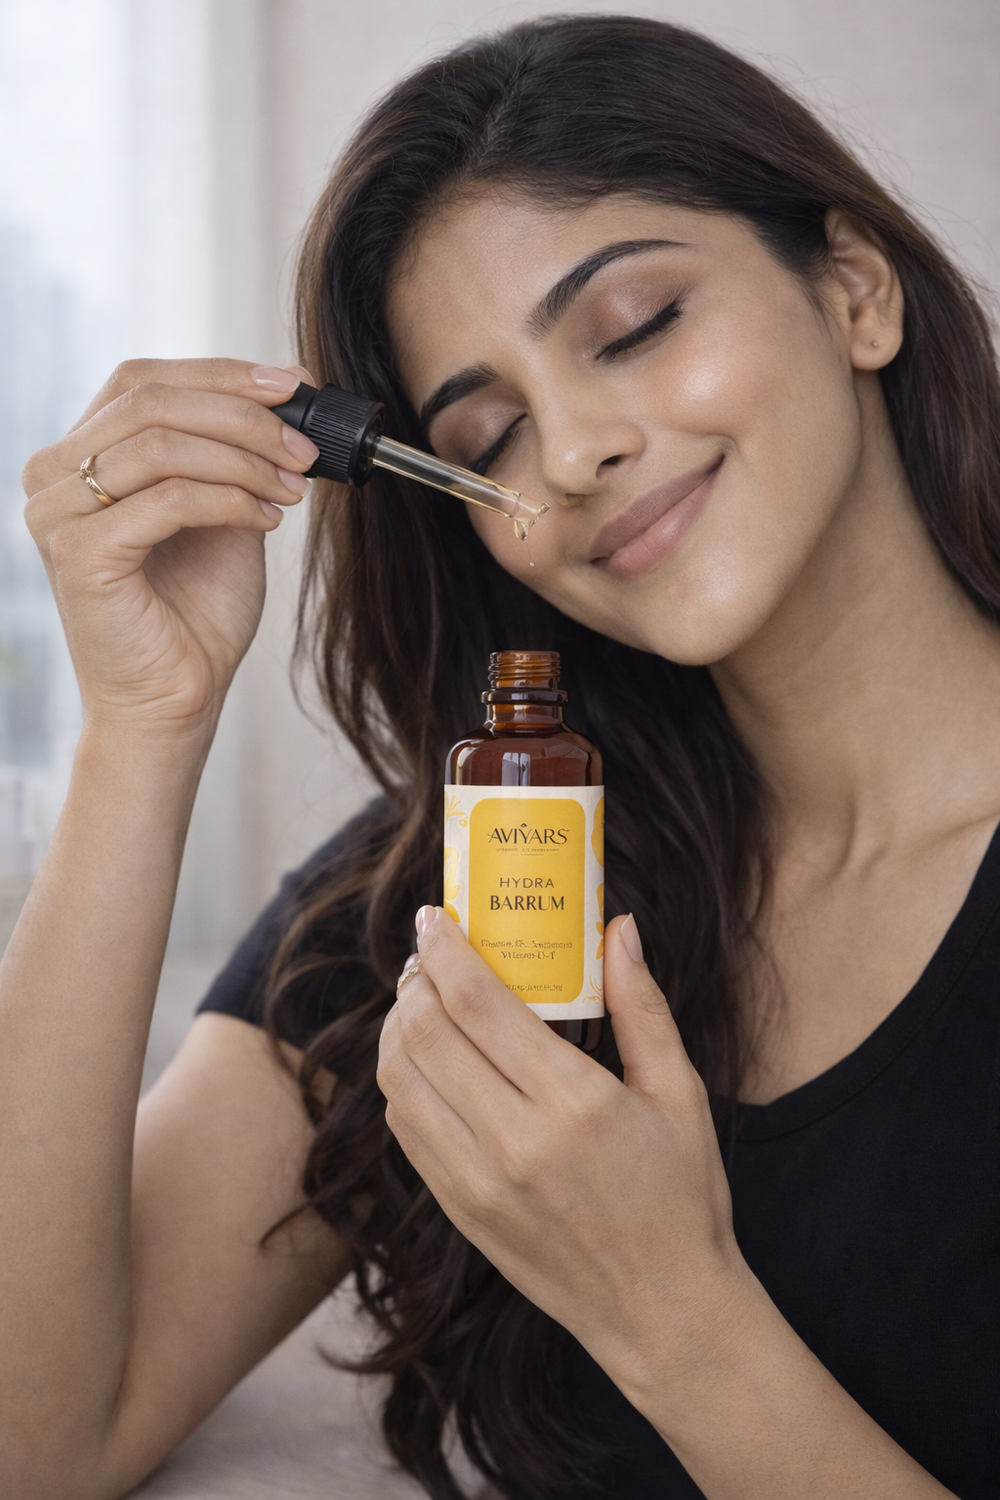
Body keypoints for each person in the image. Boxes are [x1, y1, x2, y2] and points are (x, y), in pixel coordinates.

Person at [3, 15, 997, 1500]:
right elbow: (34, 1443)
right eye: (488, 429)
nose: (576, 449)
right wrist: (143, 729)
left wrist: (672, 1317)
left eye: (638, 323)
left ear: (854, 290)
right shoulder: (466, 885)